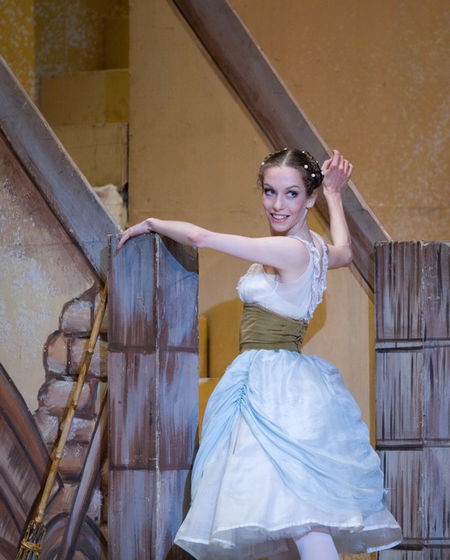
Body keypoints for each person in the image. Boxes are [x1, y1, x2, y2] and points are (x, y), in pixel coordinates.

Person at [118, 149, 402, 559]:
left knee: (302, 517)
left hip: (273, 387)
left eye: (290, 194)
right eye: (270, 192)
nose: (277, 204)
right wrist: (337, 196)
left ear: (309, 199)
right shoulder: (316, 249)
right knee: (285, 515)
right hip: (271, 380)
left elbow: (201, 238)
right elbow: (346, 251)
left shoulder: (292, 251)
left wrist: (150, 222)